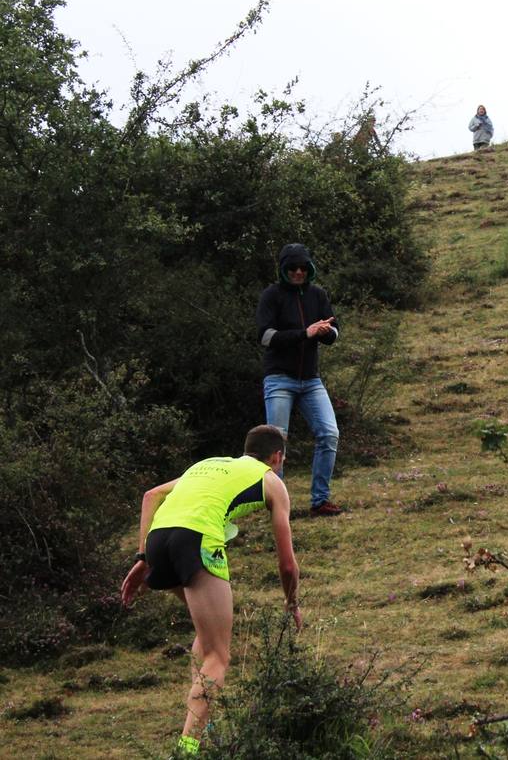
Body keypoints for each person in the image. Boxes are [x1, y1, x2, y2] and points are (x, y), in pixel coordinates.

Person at [120, 424, 301, 758]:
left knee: (207, 640)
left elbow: (151, 496)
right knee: (220, 656)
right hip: (197, 540)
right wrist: (292, 604)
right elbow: (288, 566)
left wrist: (143, 557)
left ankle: (203, 728)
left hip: (159, 541)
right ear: (277, 457)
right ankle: (186, 750)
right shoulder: (271, 480)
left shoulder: (206, 464)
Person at [256, 244, 342, 517]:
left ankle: (320, 500)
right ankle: (278, 507)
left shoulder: (318, 295)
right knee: (276, 445)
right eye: (292, 268)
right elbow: (265, 336)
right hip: (279, 379)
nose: (298, 272)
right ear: (283, 270)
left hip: (311, 380)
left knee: (329, 433)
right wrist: (304, 333)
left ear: (309, 269)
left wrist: (326, 332)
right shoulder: (272, 295)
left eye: (303, 267)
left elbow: (335, 333)